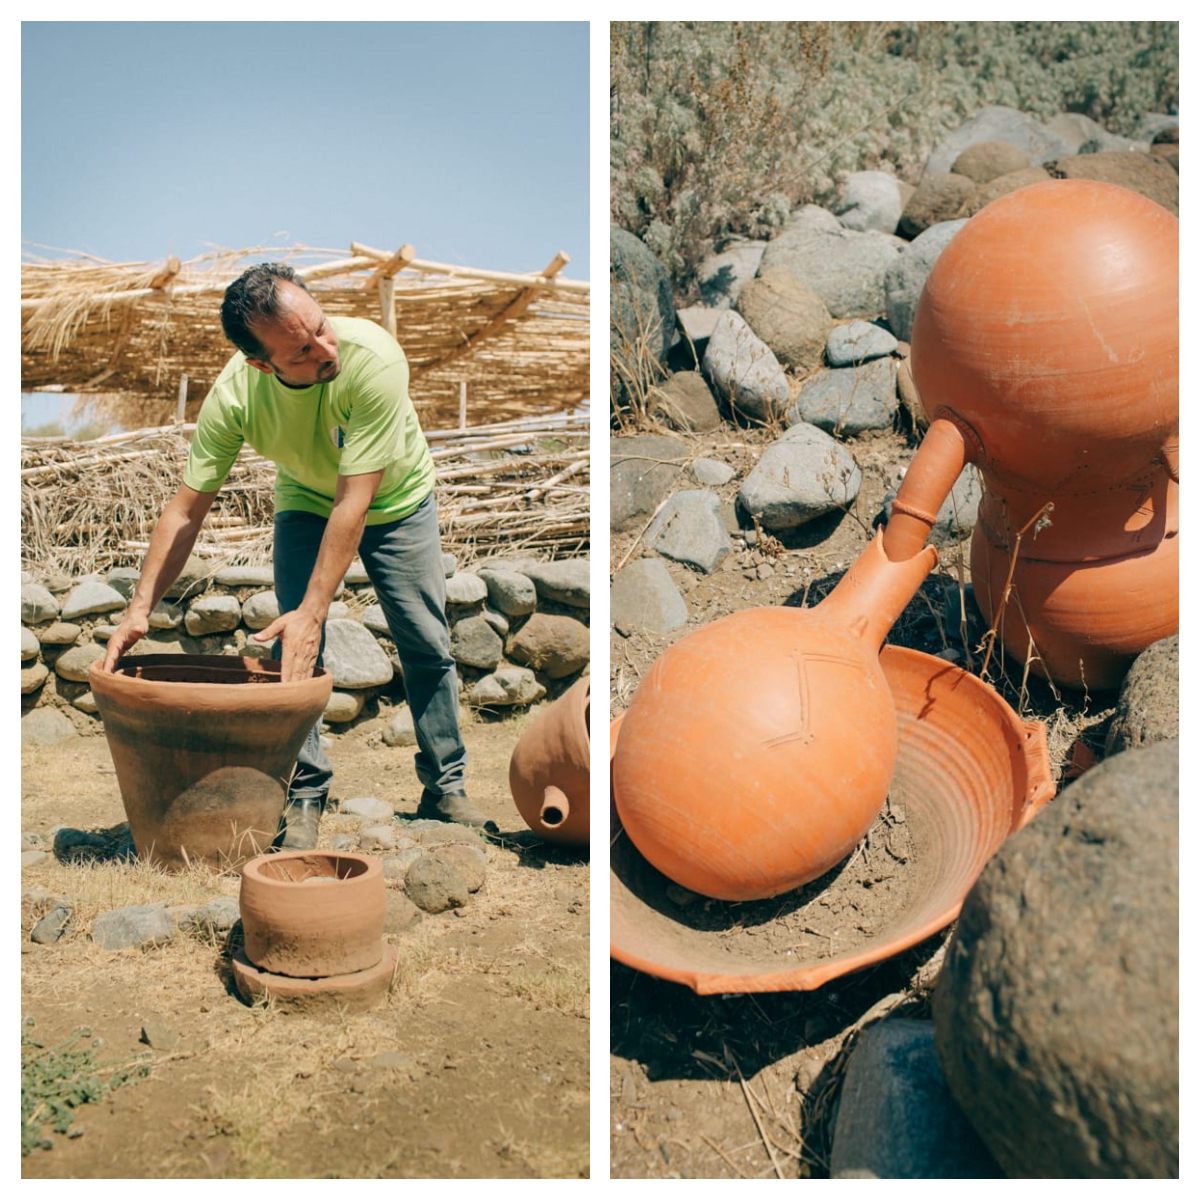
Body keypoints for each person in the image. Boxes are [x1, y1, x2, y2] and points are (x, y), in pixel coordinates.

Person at [102, 262, 493, 846]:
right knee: (295, 650)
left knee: (426, 641)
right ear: (261, 364)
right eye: (299, 352)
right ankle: (305, 793)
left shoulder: (373, 359)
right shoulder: (236, 396)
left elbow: (354, 505)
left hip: (398, 498)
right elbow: (186, 511)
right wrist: (140, 607)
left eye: (321, 328)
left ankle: (446, 786)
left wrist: (316, 608)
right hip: (307, 499)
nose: (323, 350)